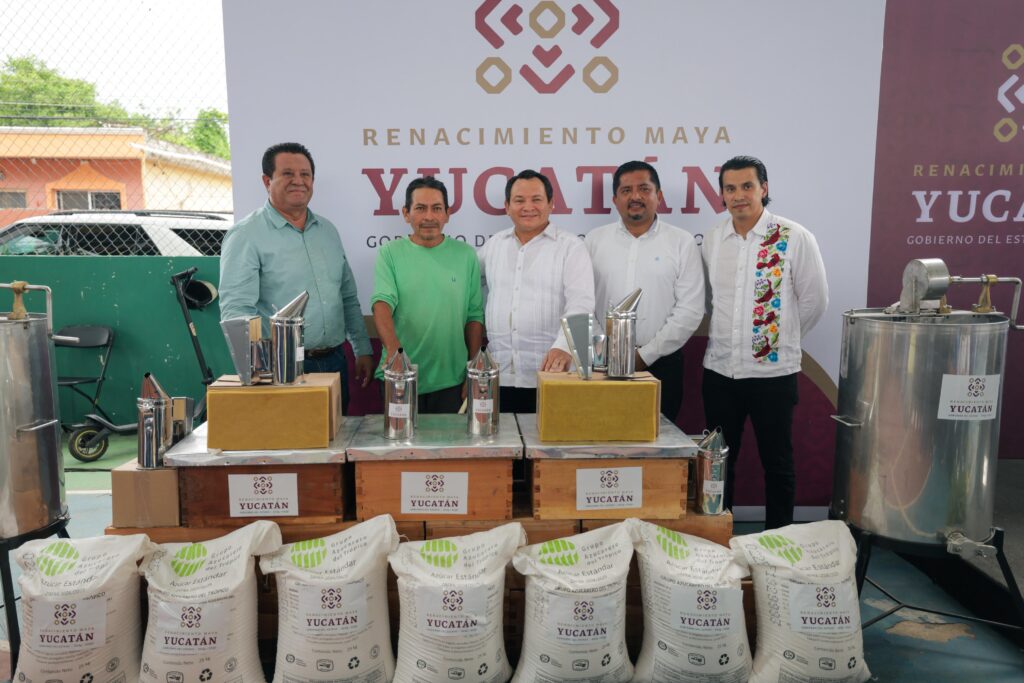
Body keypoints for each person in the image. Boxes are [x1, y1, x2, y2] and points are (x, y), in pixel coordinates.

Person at [701, 155, 828, 529]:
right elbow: (710, 301)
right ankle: (718, 536)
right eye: (730, 188)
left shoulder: (792, 237)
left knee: (778, 462)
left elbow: (815, 302)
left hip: (773, 376)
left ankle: (779, 540)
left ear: (764, 189)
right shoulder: (713, 239)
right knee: (719, 464)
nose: (738, 195)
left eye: (747, 186)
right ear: (722, 194)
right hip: (720, 372)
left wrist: (779, 340)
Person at [219, 142, 374, 414]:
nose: (298, 181)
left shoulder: (327, 231)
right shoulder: (246, 235)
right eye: (287, 174)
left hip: (335, 362)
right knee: (289, 437)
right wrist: (257, 373)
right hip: (281, 368)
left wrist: (362, 348)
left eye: (305, 175)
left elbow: (347, 297)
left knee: (336, 436)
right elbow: (236, 311)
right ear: (267, 181)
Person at [585, 160, 704, 421]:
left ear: (659, 196)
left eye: (644, 189)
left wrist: (645, 355)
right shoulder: (594, 240)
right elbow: (582, 302)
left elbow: (691, 309)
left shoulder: (681, 242)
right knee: (602, 434)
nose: (635, 196)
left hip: (662, 363)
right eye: (626, 190)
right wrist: (603, 350)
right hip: (601, 362)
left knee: (657, 440)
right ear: (615, 199)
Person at [477, 169, 595, 413]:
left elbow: (581, 304)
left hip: (552, 376)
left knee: (551, 438)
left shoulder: (571, 247)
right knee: (503, 438)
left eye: (537, 199)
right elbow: (468, 288)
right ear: (507, 206)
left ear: (551, 204)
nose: (528, 207)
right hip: (500, 376)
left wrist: (564, 347)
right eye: (519, 200)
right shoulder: (494, 245)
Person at [371, 176, 484, 413]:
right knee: (399, 440)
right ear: (406, 213)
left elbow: (474, 316)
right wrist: (395, 354)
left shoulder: (466, 255)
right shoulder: (389, 253)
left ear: (447, 214)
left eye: (437, 208)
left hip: (452, 381)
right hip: (399, 377)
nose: (429, 217)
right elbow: (381, 304)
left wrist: (473, 370)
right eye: (420, 208)